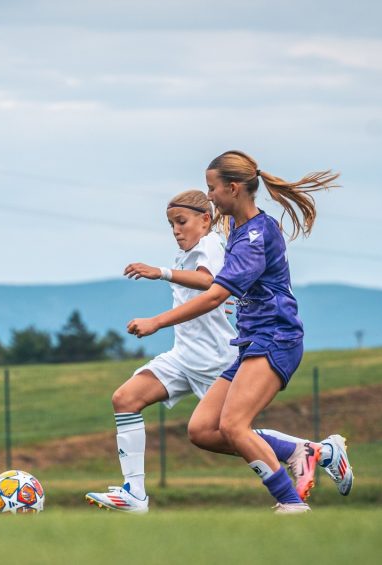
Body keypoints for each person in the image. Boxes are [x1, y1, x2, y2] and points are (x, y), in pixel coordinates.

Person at [127, 151, 354, 514]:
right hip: (252, 342)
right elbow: (231, 284)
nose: (210, 197)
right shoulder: (239, 230)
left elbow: (216, 292)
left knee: (233, 425)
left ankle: (291, 504)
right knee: (202, 429)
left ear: (233, 188)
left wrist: (157, 321)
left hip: (276, 339)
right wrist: (243, 294)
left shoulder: (253, 235)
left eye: (212, 188)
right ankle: (316, 452)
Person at [85, 190, 328, 514]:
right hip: (184, 357)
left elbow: (210, 282)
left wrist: (160, 273)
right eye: (171, 224)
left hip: (216, 359)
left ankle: (306, 453)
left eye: (181, 222)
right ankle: (135, 495)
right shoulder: (188, 253)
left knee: (231, 432)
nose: (175, 230)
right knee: (125, 399)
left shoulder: (212, 244)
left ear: (205, 219)